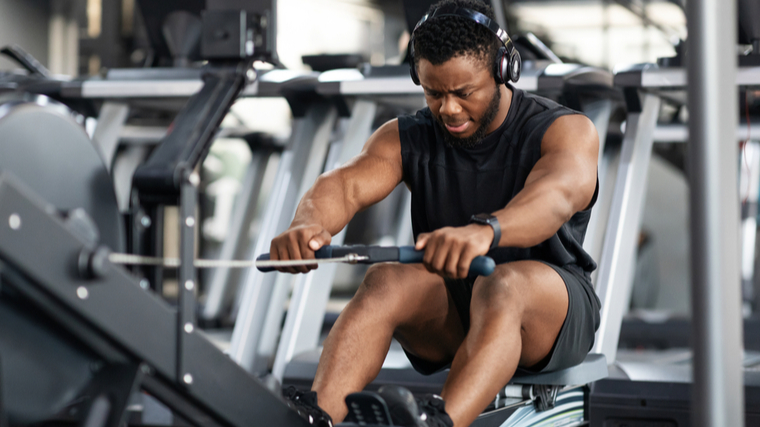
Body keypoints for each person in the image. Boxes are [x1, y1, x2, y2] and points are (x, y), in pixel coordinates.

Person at [273, 1, 601, 425]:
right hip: (459, 304)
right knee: (385, 279)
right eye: (434, 93)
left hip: (548, 309)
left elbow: (553, 197)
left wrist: (486, 232)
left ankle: (440, 422)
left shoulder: (565, 130)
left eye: (464, 93)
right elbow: (344, 184)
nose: (448, 109)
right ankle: (319, 417)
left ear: (503, 73)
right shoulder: (408, 136)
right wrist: (307, 226)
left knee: (503, 285)